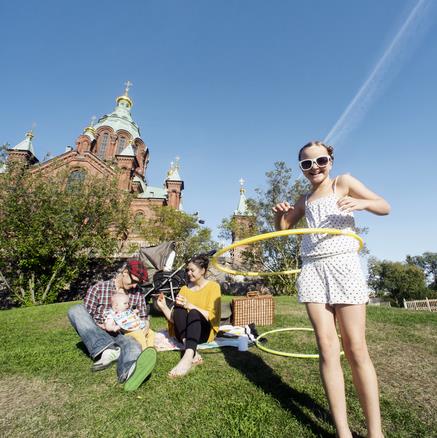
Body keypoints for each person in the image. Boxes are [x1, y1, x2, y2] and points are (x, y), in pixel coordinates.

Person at [273, 141, 390, 438]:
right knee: (327, 348)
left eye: (321, 160)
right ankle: (343, 431)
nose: (315, 167)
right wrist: (279, 213)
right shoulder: (305, 198)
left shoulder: (343, 182)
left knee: (356, 348)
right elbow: (284, 228)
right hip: (313, 269)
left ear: (331, 161)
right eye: (307, 164)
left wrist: (362, 203)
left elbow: (384, 206)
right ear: (301, 169)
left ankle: (376, 432)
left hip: (344, 265)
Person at [68, 260, 153, 391]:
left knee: (133, 345)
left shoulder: (138, 293)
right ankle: (106, 349)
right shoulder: (99, 288)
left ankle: (129, 372)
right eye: (133, 281)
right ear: (125, 272)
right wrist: (102, 325)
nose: (135, 286)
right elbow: (85, 315)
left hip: (123, 334)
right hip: (98, 332)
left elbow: (143, 317)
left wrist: (145, 325)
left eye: (138, 283)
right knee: (75, 310)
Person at [156, 254, 221, 378]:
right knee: (179, 310)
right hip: (184, 335)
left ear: (203, 271)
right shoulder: (184, 289)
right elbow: (174, 319)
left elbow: (211, 316)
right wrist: (163, 306)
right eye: (187, 270)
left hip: (202, 333)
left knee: (193, 312)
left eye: (192, 270)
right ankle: (191, 351)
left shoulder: (213, 287)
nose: (189, 273)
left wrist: (190, 305)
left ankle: (186, 358)